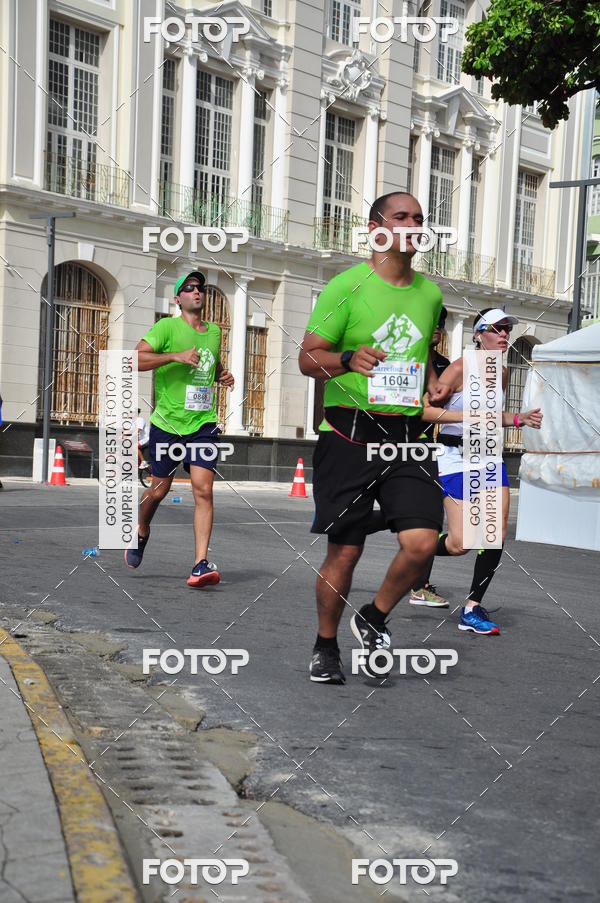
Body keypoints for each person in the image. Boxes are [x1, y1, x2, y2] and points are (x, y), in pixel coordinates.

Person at [299, 191, 451, 684]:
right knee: (345, 550)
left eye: (419, 220)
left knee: (423, 542)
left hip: (407, 436)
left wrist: (432, 381)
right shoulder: (345, 287)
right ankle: (326, 646)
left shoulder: (429, 295)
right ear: (375, 227)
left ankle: (375, 616)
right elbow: (307, 358)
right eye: (401, 217)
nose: (412, 225)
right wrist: (346, 359)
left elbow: (422, 350)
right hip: (349, 433)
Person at [431, 307, 543, 634]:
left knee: (495, 533)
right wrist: (467, 419)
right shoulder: (459, 369)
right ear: (480, 333)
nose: (505, 334)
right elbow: (428, 413)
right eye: (498, 328)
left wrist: (518, 419)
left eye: (508, 329)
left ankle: (472, 608)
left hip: (488, 458)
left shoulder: (503, 374)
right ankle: (421, 549)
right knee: (461, 542)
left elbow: (493, 416)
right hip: (454, 457)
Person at [124, 271, 234, 587]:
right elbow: (133, 360)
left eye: (199, 288)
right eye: (188, 288)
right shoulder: (166, 327)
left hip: (203, 424)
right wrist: (175, 355)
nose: (196, 292)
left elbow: (209, 363)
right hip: (167, 424)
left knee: (203, 489)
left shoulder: (213, 332)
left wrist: (221, 375)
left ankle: (200, 564)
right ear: (178, 298)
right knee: (159, 490)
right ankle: (141, 528)